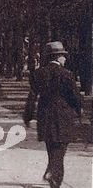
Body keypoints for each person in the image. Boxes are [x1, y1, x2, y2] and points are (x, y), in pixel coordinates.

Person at [24, 41, 82, 188]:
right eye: (63, 56)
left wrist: (28, 116)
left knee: (51, 147)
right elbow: (74, 97)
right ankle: (54, 179)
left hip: (45, 115)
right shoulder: (67, 74)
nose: (65, 59)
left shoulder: (38, 74)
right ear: (59, 57)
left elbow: (32, 97)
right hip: (63, 116)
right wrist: (78, 109)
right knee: (61, 148)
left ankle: (51, 171)